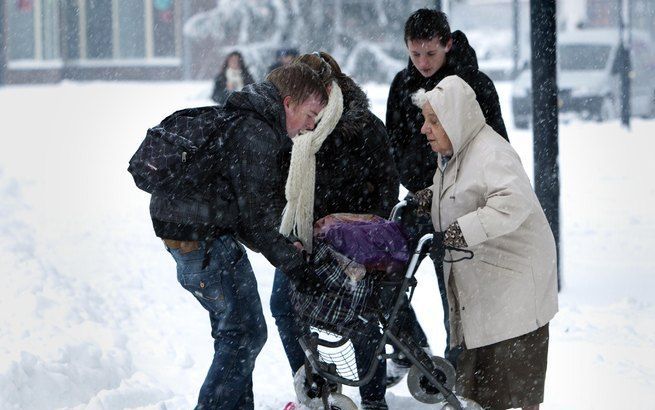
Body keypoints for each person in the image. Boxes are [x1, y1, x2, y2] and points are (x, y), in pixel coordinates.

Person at [148, 63, 329, 410]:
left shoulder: (245, 120)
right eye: (310, 114)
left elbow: (245, 214)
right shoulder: (256, 133)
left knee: (237, 334)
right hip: (204, 241)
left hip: (190, 238)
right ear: (288, 103)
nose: (311, 125)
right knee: (244, 334)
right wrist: (295, 264)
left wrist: (281, 247)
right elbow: (256, 219)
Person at [414, 75, 558, 410]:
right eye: (426, 120)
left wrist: (457, 232)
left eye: (434, 121)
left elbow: (512, 202)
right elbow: (464, 192)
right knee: (483, 382)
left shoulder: (492, 153)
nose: (425, 129)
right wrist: (428, 197)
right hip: (489, 283)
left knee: (517, 384)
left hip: (516, 282)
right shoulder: (457, 152)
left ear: (456, 119)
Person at [384, 8, 510, 382]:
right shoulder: (402, 85)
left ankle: (460, 375)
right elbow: (394, 145)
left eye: (430, 54)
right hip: (420, 199)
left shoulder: (476, 85)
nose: (422, 62)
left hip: (463, 204)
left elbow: (497, 145)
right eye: (415, 54)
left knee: (457, 295)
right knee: (381, 274)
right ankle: (410, 347)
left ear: (448, 44)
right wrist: (416, 183)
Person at [270, 51, 399, 410]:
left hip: (354, 247)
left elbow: (387, 193)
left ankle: (374, 401)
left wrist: (343, 222)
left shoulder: (364, 127)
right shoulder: (296, 127)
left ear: (329, 88)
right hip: (304, 240)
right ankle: (311, 384)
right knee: (282, 304)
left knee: (360, 318)